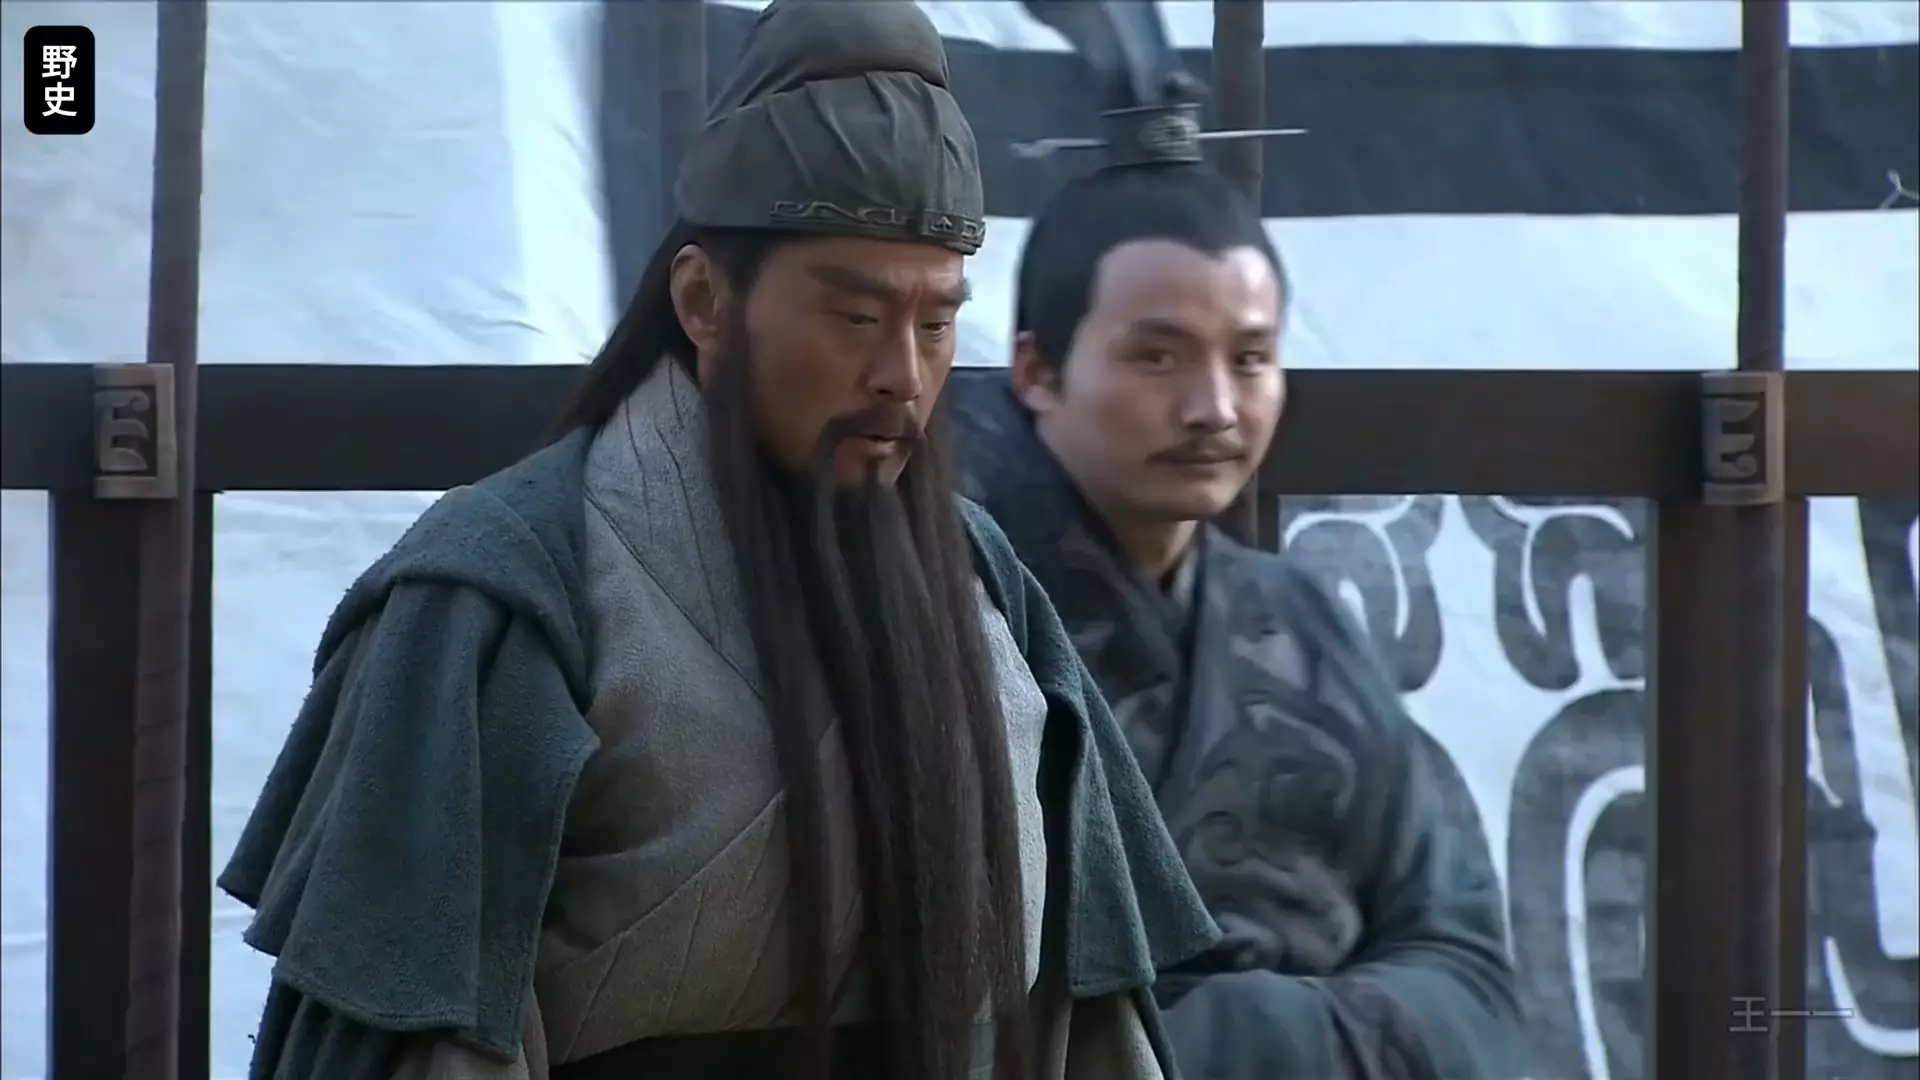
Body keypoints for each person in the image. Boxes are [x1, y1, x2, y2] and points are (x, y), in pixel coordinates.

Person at [216, 3, 1219, 1078]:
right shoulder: (511, 589)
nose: (903, 375)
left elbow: (1087, 1014)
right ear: (704, 301)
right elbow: (422, 1035)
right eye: (855, 318)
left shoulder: (982, 582)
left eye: (936, 323)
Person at [951, 158, 1525, 1078]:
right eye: (1158, 356)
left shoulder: (1301, 621)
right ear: (1037, 371)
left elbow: (1467, 970)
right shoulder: (953, 613)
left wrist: (1270, 1029)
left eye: (1250, 359)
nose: (1213, 409)